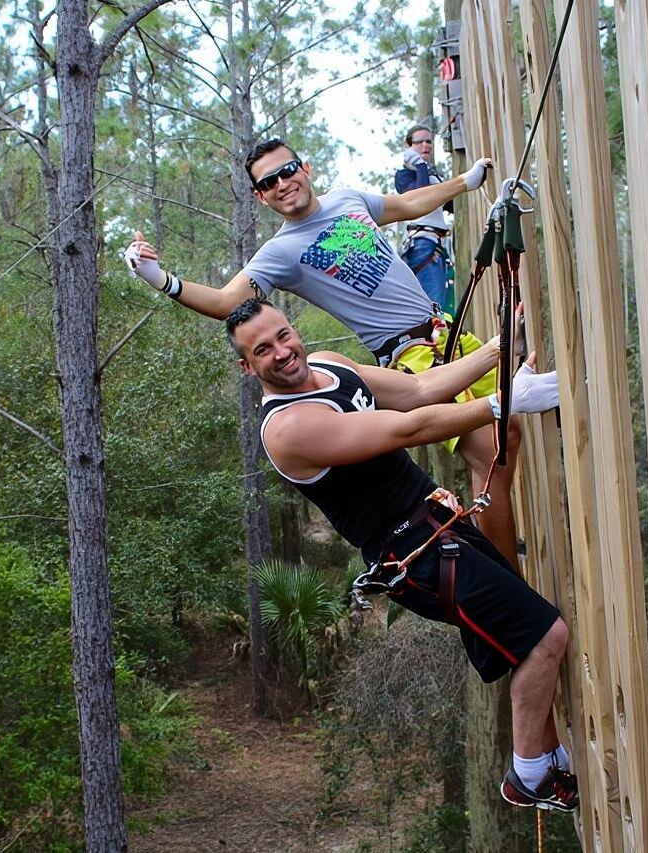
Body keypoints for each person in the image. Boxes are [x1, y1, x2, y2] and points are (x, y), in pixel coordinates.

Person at [224, 298, 579, 812]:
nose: (282, 352)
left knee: (523, 636)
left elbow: (416, 391)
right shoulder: (287, 429)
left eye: (283, 335)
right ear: (247, 366)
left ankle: (544, 759)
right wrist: (501, 403)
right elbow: (404, 429)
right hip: (417, 558)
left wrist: (503, 349)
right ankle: (529, 773)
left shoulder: (331, 366)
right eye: (263, 350)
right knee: (547, 636)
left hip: (438, 526)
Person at [125, 138, 527, 573]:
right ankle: (512, 590)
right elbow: (226, 302)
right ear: (261, 196)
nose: (283, 183)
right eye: (269, 182)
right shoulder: (280, 252)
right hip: (412, 355)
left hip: (445, 333)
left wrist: (463, 184)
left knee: (510, 436)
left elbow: (407, 204)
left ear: (305, 168)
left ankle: (499, 565)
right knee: (490, 452)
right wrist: (161, 279)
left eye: (287, 170)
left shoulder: (348, 200)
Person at [394, 124, 455, 315]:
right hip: (422, 244)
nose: (425, 146)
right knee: (434, 308)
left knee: (441, 306)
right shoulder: (404, 175)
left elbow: (448, 204)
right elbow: (420, 199)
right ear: (409, 145)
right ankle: (436, 344)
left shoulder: (431, 172)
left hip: (437, 242)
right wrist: (420, 166)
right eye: (419, 142)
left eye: (428, 141)